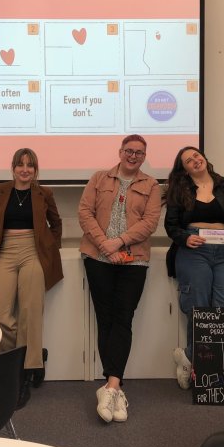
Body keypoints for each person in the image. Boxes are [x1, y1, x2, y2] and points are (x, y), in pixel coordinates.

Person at [78, 134, 161, 423]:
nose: (133, 156)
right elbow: (85, 213)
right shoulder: (99, 178)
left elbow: (150, 223)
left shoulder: (152, 185)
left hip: (133, 260)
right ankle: (114, 387)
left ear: (144, 155)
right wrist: (105, 245)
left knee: (123, 318)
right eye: (129, 151)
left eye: (139, 152)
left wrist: (120, 242)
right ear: (121, 151)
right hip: (98, 258)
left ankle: (112, 385)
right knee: (106, 318)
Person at [164, 147, 224, 390]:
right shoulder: (179, 189)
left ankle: (195, 358)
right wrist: (184, 238)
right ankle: (200, 368)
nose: (195, 161)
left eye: (196, 156)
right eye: (189, 161)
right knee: (198, 308)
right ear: (184, 168)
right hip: (194, 249)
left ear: (205, 158)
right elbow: (171, 225)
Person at [0, 148, 63, 407]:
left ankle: (25, 372)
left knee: (30, 313)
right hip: (7, 252)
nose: (25, 169)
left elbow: (56, 223)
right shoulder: (0, 190)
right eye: (20, 165)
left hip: (33, 252)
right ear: (13, 167)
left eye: (30, 166)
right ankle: (29, 354)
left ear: (35, 170)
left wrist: (49, 247)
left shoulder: (44, 193)